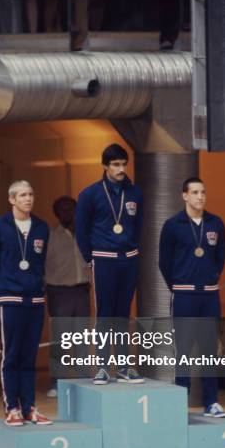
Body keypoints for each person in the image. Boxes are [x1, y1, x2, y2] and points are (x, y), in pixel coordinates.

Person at [159, 178, 225, 418]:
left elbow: (220, 258)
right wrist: (179, 286)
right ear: (184, 196)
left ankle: (212, 402)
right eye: (195, 192)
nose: (200, 197)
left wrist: (209, 278)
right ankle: (181, 402)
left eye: (203, 192)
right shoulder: (172, 225)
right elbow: (164, 262)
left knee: (210, 350)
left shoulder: (216, 224)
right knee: (184, 351)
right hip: (184, 295)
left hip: (209, 295)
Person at [76, 143, 144, 384]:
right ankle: (103, 367)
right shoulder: (90, 194)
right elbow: (81, 230)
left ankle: (124, 367)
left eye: (123, 164)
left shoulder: (134, 193)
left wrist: (132, 247)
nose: (120, 169)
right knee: (105, 314)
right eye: (115, 164)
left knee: (123, 314)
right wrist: (89, 258)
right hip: (103, 259)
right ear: (105, 166)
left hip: (129, 258)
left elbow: (140, 226)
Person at [0, 180, 52, 425]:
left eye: (31, 194)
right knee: (11, 355)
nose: (28, 199)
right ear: (11, 199)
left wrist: (36, 284)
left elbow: (39, 262)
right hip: (10, 298)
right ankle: (12, 407)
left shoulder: (42, 227)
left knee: (29, 356)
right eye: (23, 195)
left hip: (35, 298)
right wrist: (2, 291)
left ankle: (30, 407)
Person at [45, 196, 91, 397]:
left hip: (82, 291)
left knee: (82, 338)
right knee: (61, 340)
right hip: (59, 291)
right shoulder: (50, 236)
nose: (67, 213)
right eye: (62, 210)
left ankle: (84, 380)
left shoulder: (86, 233)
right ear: (56, 214)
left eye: (71, 209)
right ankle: (57, 382)